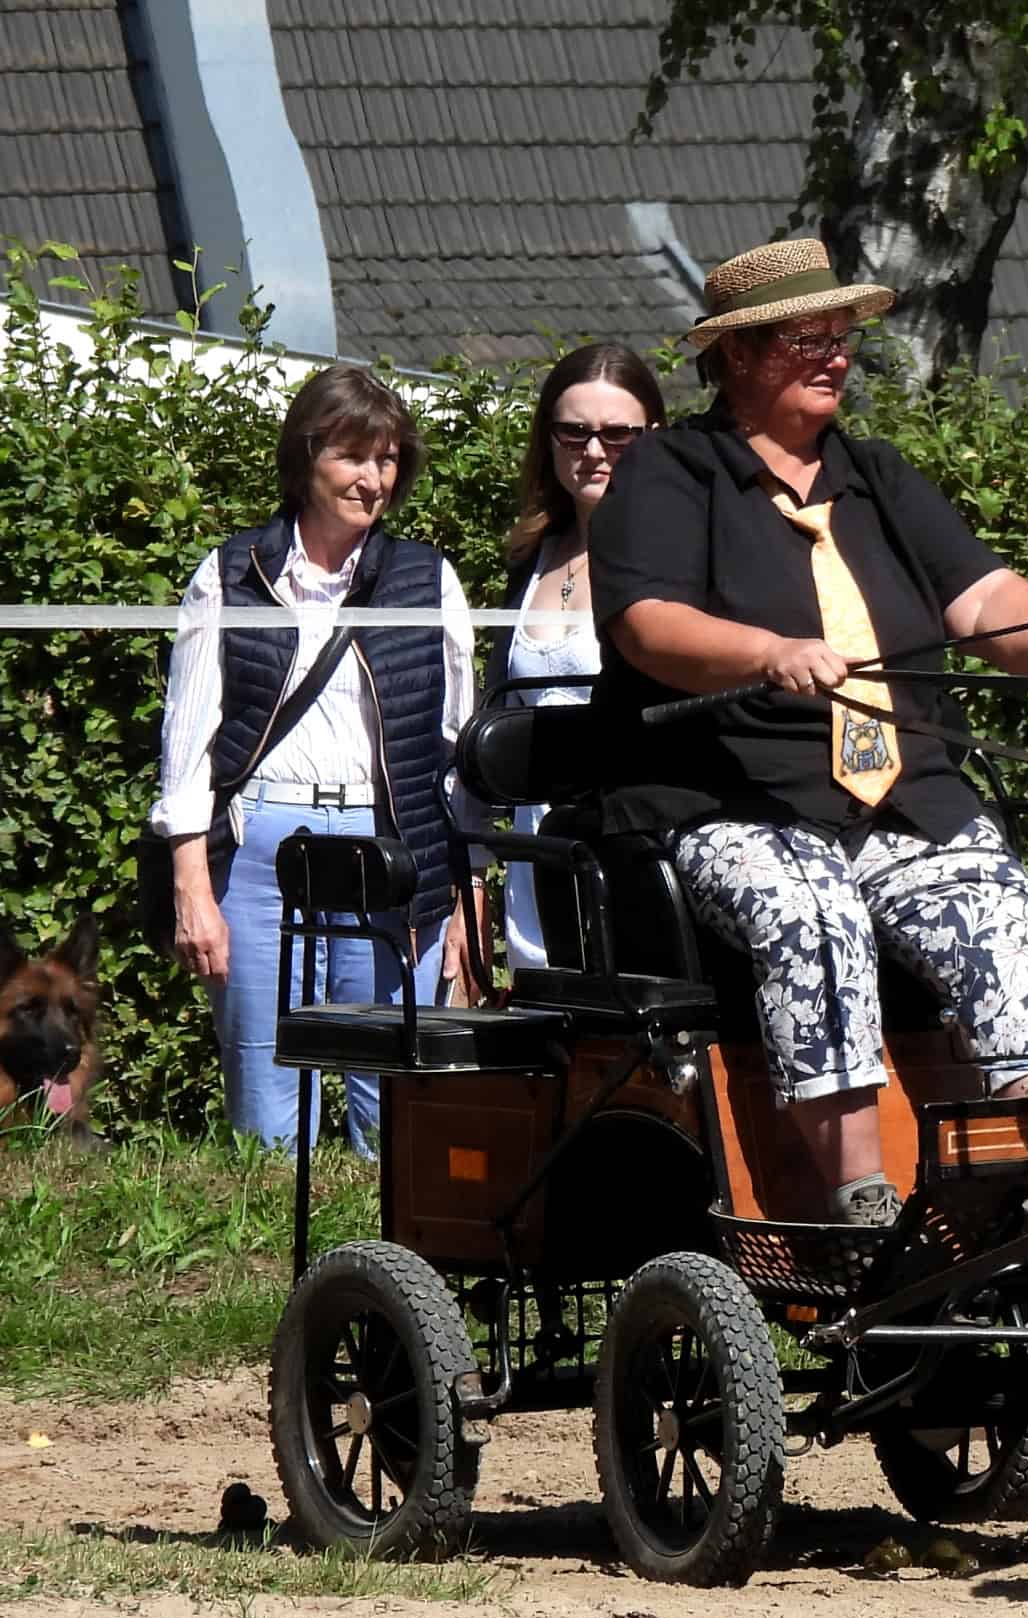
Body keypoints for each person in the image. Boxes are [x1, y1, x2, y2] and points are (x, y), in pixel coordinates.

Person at [590, 239, 1028, 1229]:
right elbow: (646, 624)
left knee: (998, 913)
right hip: (736, 799)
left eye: (842, 341)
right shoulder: (669, 472)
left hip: (901, 796)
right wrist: (763, 651)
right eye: (806, 341)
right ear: (738, 355)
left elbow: (985, 594)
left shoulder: (876, 477)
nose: (834, 358)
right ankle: (856, 1201)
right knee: (812, 909)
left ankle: (1026, 1192)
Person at [154, 366, 480, 1159]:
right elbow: (187, 742)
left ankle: (386, 1271)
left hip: (392, 848)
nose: (373, 480)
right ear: (306, 458)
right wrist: (192, 887)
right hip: (263, 845)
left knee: (395, 1102)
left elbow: (459, 748)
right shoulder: (232, 571)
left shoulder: (427, 577)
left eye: (389, 459)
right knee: (266, 1099)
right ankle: (269, 1269)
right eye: (352, 457)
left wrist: (467, 893)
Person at [495, 344, 666, 972]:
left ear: (655, 438)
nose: (594, 451)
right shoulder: (530, 556)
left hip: (632, 842)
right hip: (537, 844)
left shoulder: (678, 557)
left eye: (619, 434)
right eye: (574, 432)